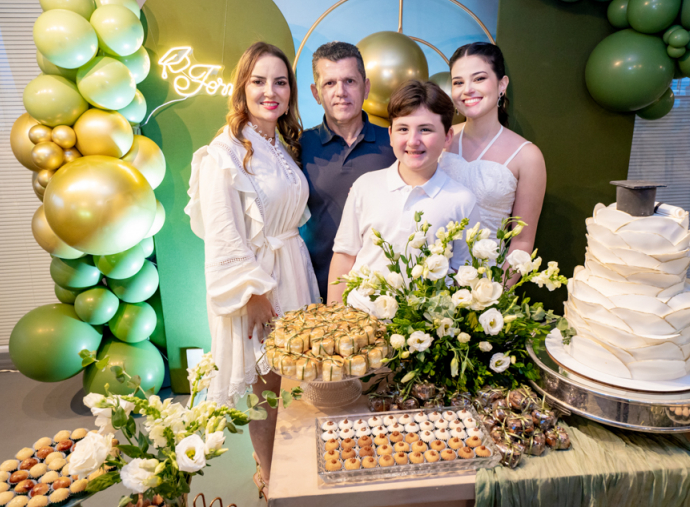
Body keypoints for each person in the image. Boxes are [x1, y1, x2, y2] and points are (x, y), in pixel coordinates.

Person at [185, 42, 318, 501]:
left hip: (293, 270)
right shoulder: (222, 152)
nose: (270, 91)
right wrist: (254, 294)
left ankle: (297, 464)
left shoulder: (278, 144)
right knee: (265, 385)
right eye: (258, 81)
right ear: (242, 87)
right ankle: (270, 474)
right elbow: (224, 234)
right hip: (259, 283)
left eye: (280, 82)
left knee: (294, 381)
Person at [327, 80, 478, 305]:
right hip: (359, 322)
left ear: (448, 136)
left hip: (425, 331)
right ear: (390, 134)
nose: (413, 141)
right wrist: (334, 318)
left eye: (425, 129)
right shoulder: (365, 186)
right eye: (403, 129)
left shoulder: (462, 201)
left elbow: (463, 276)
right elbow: (344, 255)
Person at [299, 41, 396, 301]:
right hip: (313, 293)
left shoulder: (396, 145)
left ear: (366, 87)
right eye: (329, 83)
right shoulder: (298, 148)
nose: (340, 92)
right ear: (315, 93)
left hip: (384, 297)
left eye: (350, 81)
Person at [441, 42, 546, 262]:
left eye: (479, 78)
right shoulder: (441, 139)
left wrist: (496, 293)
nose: (467, 89)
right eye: (458, 82)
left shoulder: (527, 156)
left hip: (485, 282)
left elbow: (522, 242)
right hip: (426, 277)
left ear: (502, 84)